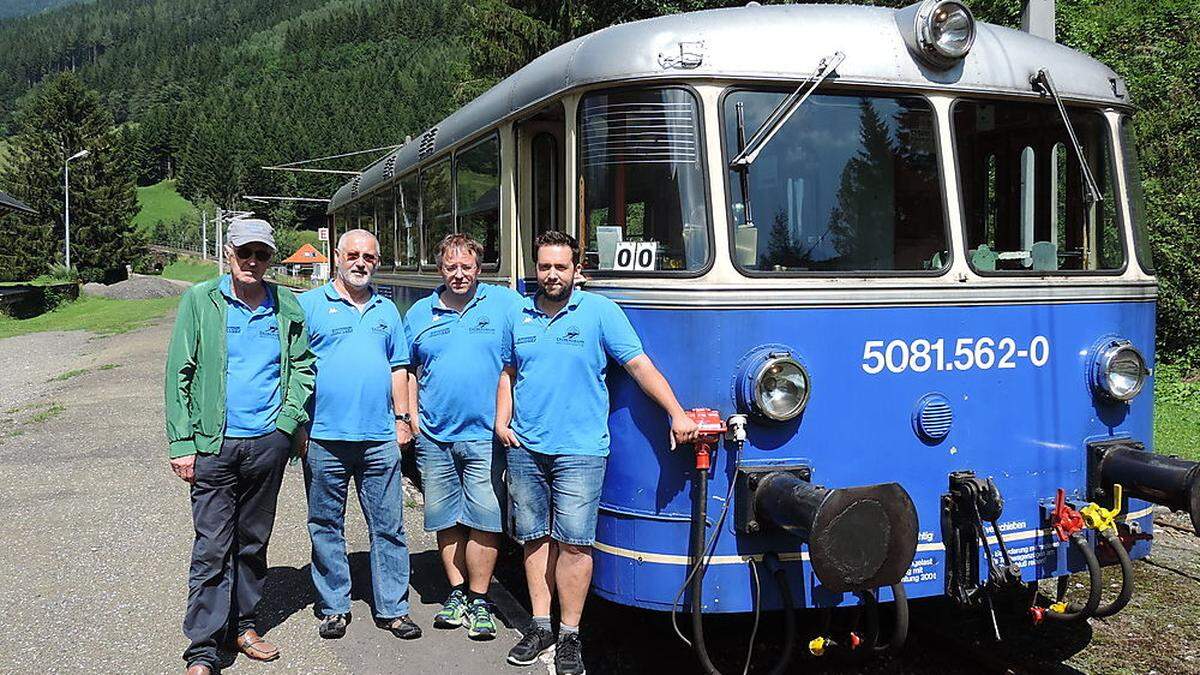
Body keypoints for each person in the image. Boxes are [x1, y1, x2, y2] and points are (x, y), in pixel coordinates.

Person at [495, 231, 701, 675]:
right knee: (534, 538)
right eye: (545, 266)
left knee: (574, 545)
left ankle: (569, 634)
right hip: (526, 447)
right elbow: (509, 372)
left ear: (577, 270)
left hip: (581, 451)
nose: (551, 275)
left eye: (560, 267)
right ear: (536, 268)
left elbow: (638, 365)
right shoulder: (520, 315)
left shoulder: (601, 313)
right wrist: (501, 421)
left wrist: (676, 413)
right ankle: (539, 626)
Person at [164, 219, 315, 675]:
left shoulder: (286, 303)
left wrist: (286, 424)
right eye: (244, 252)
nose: (253, 261)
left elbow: (304, 366)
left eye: (262, 254)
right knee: (212, 546)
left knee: (252, 542)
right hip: (213, 444)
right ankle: (204, 648)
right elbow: (179, 374)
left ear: (270, 258)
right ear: (229, 253)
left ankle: (244, 624)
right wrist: (182, 442)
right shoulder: (200, 301)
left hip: (267, 443)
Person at [297, 229, 421, 641]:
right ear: (337, 256)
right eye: (353, 254)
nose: (361, 262)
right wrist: (299, 428)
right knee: (325, 524)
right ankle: (334, 606)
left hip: (379, 437)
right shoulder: (309, 306)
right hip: (324, 437)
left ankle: (393, 608)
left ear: (377, 260)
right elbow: (292, 370)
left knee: (389, 526)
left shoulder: (387, 310)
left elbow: (398, 368)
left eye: (369, 256)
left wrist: (403, 419)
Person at [404, 233, 521, 640]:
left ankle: (480, 598)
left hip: (485, 435)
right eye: (450, 267)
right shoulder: (420, 313)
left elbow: (526, 351)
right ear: (440, 269)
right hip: (435, 437)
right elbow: (407, 370)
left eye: (466, 266)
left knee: (484, 520)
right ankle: (457, 594)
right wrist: (411, 418)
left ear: (479, 267)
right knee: (446, 519)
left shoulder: (505, 305)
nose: (458, 274)